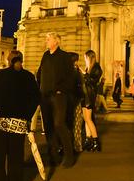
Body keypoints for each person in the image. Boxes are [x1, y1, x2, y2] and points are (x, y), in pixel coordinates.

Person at [0, 50, 40, 181]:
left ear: (9, 60)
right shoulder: (28, 77)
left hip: (1, 119)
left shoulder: (1, 75)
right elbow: (35, 98)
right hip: (19, 121)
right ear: (21, 60)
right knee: (16, 154)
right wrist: (27, 115)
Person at [36, 32, 77, 168]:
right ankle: (53, 156)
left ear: (56, 41)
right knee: (48, 126)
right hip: (44, 95)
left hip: (58, 96)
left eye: (48, 39)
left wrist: (61, 89)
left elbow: (70, 77)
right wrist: (39, 87)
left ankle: (69, 155)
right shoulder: (45, 55)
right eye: (46, 39)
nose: (46, 41)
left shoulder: (64, 57)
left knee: (59, 123)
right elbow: (40, 72)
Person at [82, 50, 103, 152]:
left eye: (86, 58)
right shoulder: (89, 68)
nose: (84, 60)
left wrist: (84, 74)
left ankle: (96, 141)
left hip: (90, 95)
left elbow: (92, 81)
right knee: (86, 118)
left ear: (90, 58)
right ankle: (88, 139)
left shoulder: (96, 68)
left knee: (89, 119)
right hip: (85, 94)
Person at [69, 52, 86, 153]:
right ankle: (77, 146)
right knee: (77, 124)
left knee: (70, 124)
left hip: (67, 101)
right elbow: (81, 87)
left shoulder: (65, 72)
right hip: (76, 100)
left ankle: (69, 145)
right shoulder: (76, 72)